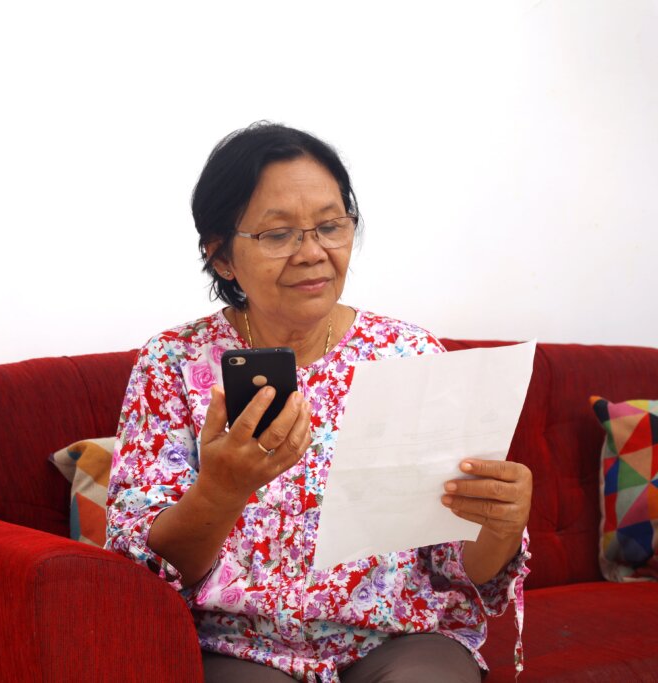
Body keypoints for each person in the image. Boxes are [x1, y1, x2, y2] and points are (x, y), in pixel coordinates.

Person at [105, 122, 532, 682]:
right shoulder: (173, 364)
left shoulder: (406, 353)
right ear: (221, 255)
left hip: (400, 636)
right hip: (238, 645)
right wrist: (221, 489)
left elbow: (455, 563)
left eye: (330, 226)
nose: (312, 253)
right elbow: (144, 570)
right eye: (277, 234)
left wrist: (500, 525)